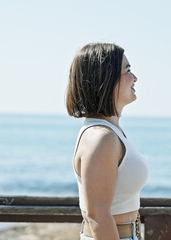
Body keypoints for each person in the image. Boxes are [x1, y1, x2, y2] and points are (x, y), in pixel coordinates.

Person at [66, 43, 148, 240]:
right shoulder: (101, 137)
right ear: (106, 79)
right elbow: (98, 215)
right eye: (128, 70)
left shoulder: (110, 131)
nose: (135, 78)